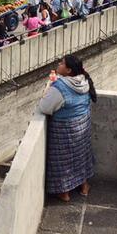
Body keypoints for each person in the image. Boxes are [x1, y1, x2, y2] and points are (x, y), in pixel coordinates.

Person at [36, 54, 96, 201]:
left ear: (68, 70)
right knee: (81, 156)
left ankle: (64, 193)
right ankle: (83, 186)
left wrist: (48, 89)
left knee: (63, 161)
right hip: (82, 127)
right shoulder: (84, 80)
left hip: (65, 130)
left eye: (62, 63)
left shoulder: (60, 87)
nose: (58, 65)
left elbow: (44, 108)